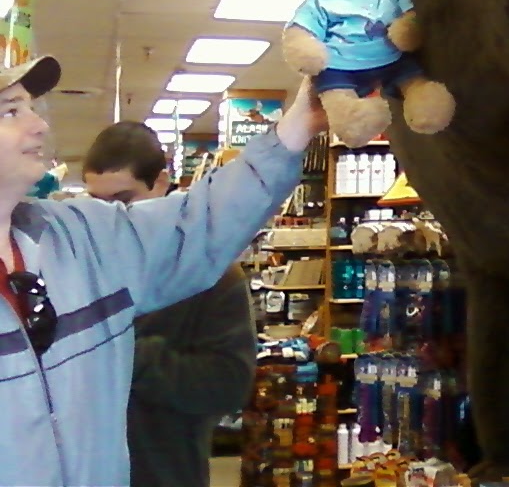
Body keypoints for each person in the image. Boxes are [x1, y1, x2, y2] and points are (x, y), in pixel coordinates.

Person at [0, 55, 325, 487]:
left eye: (30, 107)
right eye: (10, 111)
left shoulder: (80, 237)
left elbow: (201, 221)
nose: (39, 126)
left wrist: (298, 123)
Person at [82, 120, 257, 487]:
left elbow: (229, 385)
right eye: (96, 203)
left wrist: (126, 352)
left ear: (160, 184)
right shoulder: (77, 267)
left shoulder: (210, 274)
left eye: (123, 200)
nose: (108, 217)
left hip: (166, 471)